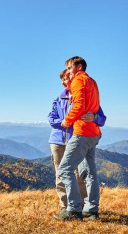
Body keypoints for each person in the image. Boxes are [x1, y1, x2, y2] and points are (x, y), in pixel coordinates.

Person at [48, 69, 106, 214]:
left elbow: (102, 118)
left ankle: (79, 206)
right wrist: (66, 122)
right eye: (62, 79)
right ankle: (64, 206)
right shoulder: (58, 99)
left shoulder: (85, 97)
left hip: (78, 138)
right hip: (58, 140)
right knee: (60, 174)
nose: (64, 81)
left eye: (66, 78)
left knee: (81, 173)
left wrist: (94, 117)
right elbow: (51, 118)